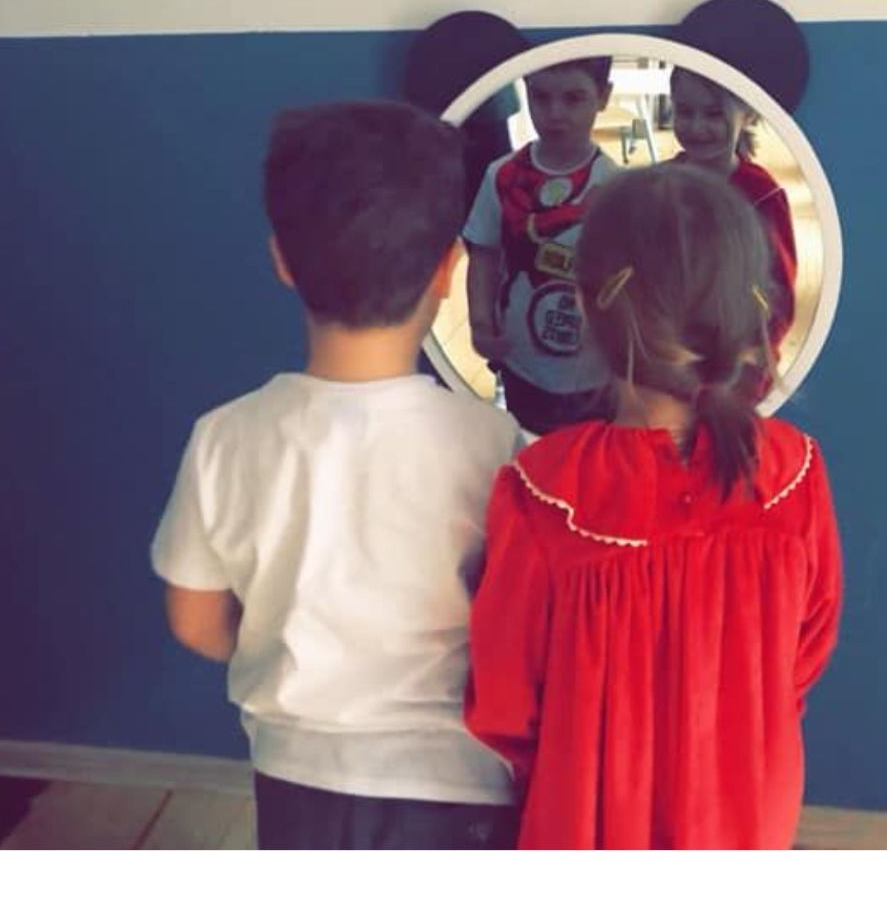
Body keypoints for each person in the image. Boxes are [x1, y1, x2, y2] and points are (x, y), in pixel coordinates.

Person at [151, 101, 525, 850]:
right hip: (457, 779)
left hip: (295, 776)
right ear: (447, 270)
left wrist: (293, 651)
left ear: (281, 260)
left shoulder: (223, 437)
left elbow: (193, 620)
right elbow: (517, 622)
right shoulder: (494, 445)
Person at [464, 163, 844, 849]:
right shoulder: (794, 472)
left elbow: (505, 706)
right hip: (748, 818)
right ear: (751, 308)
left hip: (585, 826)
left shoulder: (546, 491)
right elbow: (802, 661)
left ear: (586, 308)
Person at [462, 58, 622, 434]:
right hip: (522, 363)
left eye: (573, 98)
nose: (555, 113)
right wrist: (481, 322)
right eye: (541, 97)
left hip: (595, 370)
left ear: (603, 96)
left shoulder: (617, 185)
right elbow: (484, 256)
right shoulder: (501, 176)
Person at [667, 67, 798, 354]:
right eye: (685, 112)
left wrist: (752, 358)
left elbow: (779, 297)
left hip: (736, 357)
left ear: (748, 114)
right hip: (666, 353)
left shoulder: (762, 196)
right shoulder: (657, 184)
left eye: (714, 114)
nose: (696, 127)